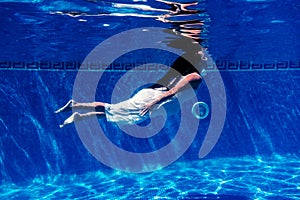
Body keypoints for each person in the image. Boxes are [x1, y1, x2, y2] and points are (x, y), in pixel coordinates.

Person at [55, 43, 210, 128]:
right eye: (204, 55)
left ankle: (80, 115)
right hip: (153, 100)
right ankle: (77, 106)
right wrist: (153, 103)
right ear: (195, 60)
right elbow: (172, 92)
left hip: (155, 101)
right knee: (113, 110)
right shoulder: (194, 76)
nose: (207, 58)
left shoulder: (192, 74)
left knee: (119, 115)